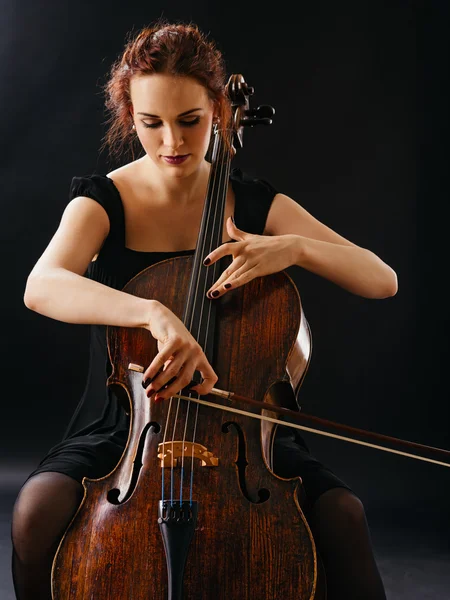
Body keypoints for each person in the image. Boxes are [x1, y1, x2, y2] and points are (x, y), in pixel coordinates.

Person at [11, 20, 397, 600]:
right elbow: (41, 285)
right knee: (35, 509)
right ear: (130, 118)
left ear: (218, 109)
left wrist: (292, 246)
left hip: (243, 436)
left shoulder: (258, 204)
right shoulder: (102, 201)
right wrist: (154, 314)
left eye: (190, 120)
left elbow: (381, 280)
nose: (173, 142)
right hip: (129, 426)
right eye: (152, 124)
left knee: (343, 515)